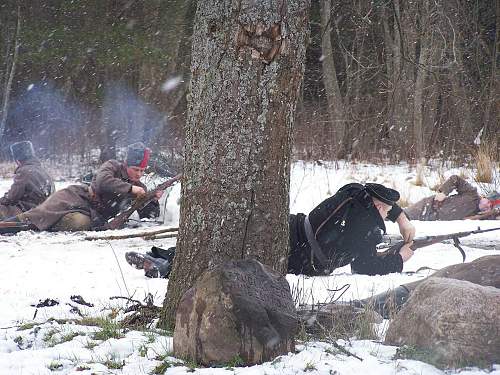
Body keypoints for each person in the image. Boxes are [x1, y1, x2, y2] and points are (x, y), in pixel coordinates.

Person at [126, 182, 416, 278]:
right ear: (379, 208)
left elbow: (366, 189)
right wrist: (400, 258)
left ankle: (167, 257)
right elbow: (363, 268)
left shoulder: (352, 195)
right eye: (389, 211)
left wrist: (400, 217)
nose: (390, 216)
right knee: (235, 257)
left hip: (292, 225)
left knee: (231, 240)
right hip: (301, 256)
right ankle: (168, 266)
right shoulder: (369, 229)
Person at [10, 142, 162, 231]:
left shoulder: (139, 186)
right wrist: (130, 189)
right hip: (76, 196)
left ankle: (45, 225)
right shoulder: (112, 166)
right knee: (38, 214)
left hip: (92, 214)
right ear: (126, 164)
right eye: (136, 169)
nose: (139, 174)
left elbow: (149, 216)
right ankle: (9, 225)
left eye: (142, 170)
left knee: (77, 223)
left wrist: (153, 199)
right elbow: (103, 181)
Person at [404, 175, 499, 220]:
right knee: (400, 217)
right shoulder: (472, 193)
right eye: (489, 202)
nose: (488, 206)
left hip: (430, 220)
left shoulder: (480, 215)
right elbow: (455, 179)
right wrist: (443, 192)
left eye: (490, 207)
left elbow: (495, 215)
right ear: (485, 197)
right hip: (427, 206)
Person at [0, 141, 55, 219]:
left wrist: (2, 200)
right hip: (44, 210)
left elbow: (12, 197)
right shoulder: (42, 170)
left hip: (28, 212)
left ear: (18, 160)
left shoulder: (24, 171)